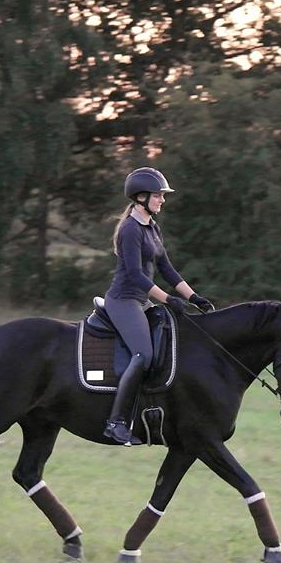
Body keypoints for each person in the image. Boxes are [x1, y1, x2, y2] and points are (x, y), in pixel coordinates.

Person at [102, 167, 213, 445]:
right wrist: (168, 300)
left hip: (142, 300)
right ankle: (116, 423)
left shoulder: (152, 227)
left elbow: (167, 268)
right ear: (141, 197)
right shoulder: (130, 229)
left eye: (163, 195)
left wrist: (193, 297)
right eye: (159, 195)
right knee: (143, 355)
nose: (163, 200)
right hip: (124, 301)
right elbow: (137, 275)